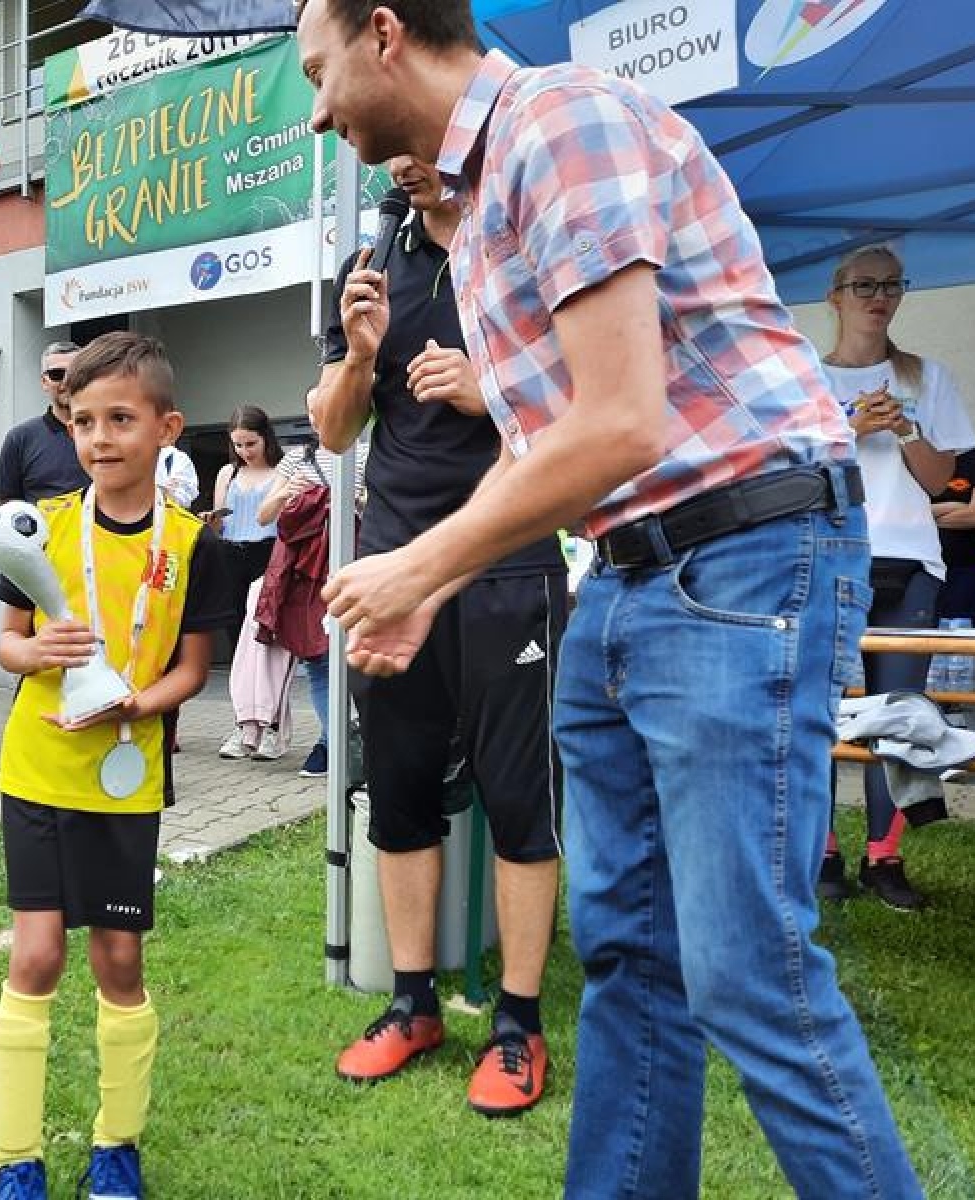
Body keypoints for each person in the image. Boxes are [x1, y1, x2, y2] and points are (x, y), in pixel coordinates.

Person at [297, 2, 921, 1196]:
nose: (320, 109)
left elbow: (623, 418)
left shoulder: (556, 122)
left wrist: (424, 563)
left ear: (384, 33)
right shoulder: (472, 208)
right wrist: (450, 582)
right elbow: (557, 451)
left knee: (747, 971)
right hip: (625, 576)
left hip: (742, 553)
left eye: (320, 73)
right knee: (631, 958)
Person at [315, 153, 570, 1114]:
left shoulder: (522, 247)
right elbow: (336, 432)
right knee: (400, 788)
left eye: (421, 160)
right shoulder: (373, 257)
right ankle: (412, 1003)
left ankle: (517, 1023)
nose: (405, 174)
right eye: (394, 169)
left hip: (510, 561)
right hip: (391, 566)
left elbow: (581, 412)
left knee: (518, 797)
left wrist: (486, 387)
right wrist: (359, 354)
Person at [0, 332, 230, 1200]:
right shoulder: (40, 530)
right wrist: (34, 649)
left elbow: (193, 670)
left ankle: (115, 1147)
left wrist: (140, 704)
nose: (99, 438)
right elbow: (5, 648)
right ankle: (16, 1158)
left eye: (120, 419)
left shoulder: (197, 543)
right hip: (40, 771)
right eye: (83, 420)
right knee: (39, 956)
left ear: (167, 427)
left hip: (126, 778)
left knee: (119, 961)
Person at [818, 244, 974, 911]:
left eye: (890, 285)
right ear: (836, 296)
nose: (877, 297)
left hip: (911, 559)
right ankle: (820, 854)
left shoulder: (926, 376)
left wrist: (905, 427)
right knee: (818, 714)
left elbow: (943, 481)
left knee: (901, 715)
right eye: (863, 285)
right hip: (829, 556)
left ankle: (885, 857)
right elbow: (795, 475)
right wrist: (849, 429)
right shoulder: (808, 379)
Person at [250, 387, 368, 779]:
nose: (319, 418)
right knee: (318, 660)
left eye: (325, 409)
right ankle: (333, 743)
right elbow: (264, 516)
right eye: (313, 412)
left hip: (355, 566)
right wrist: (288, 492)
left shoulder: (367, 454)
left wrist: (351, 499)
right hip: (306, 574)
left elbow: (380, 509)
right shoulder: (295, 460)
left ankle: (344, 741)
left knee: (356, 658)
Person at [208, 405, 283, 650]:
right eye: (238, 445)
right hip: (230, 552)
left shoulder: (281, 470)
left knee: (264, 622)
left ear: (266, 438)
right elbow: (219, 521)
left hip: (268, 551)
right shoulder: (228, 472)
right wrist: (211, 520)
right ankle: (239, 682)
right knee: (235, 623)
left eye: (251, 444)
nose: (244, 452)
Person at [0, 342, 90, 505]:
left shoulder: (105, 433)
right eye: (57, 374)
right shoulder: (20, 438)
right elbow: (8, 506)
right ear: (44, 382)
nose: (66, 382)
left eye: (73, 373)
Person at [934, 446, 975, 626]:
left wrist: (925, 517)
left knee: (967, 642)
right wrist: (955, 506)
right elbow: (897, 515)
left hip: (968, 569)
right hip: (922, 570)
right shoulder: (910, 457)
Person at [155, 444, 199, 509]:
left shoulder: (177, 458)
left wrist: (165, 492)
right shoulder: (137, 455)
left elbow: (185, 498)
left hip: (163, 514)